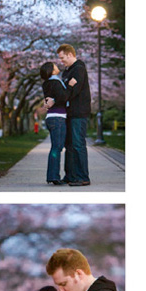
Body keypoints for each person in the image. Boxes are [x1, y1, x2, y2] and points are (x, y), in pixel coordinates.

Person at [33, 62, 75, 185]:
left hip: (51, 117)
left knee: (56, 147)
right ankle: (53, 177)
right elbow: (63, 97)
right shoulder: (55, 82)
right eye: (54, 66)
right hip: (58, 117)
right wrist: (71, 86)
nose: (57, 67)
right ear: (51, 70)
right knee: (57, 147)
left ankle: (52, 175)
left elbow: (55, 98)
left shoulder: (47, 83)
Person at [57, 44, 91, 186]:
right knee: (69, 145)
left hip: (78, 112)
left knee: (78, 144)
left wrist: (66, 90)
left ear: (70, 54)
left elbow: (72, 92)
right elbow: (65, 92)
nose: (61, 61)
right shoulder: (68, 71)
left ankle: (83, 177)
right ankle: (70, 175)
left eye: (62, 57)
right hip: (69, 113)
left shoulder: (79, 69)